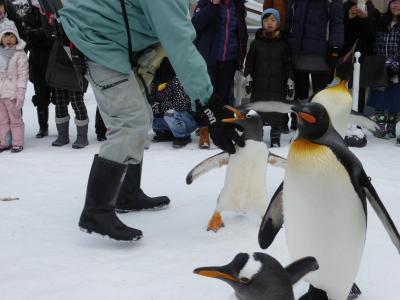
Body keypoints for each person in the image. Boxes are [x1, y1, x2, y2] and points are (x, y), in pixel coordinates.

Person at [59, 0, 245, 241]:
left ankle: (127, 193)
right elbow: (178, 41)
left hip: (112, 37)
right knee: (130, 120)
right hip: (97, 40)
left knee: (142, 114)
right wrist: (209, 105)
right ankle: (96, 211)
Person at [192, 0, 248, 149]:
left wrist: (241, 56)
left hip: (229, 58)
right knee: (206, 97)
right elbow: (195, 25)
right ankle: (204, 130)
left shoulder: (238, 5)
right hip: (209, 58)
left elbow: (241, 32)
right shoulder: (206, 3)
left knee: (224, 97)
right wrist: (213, 5)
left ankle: (225, 129)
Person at [283, 0, 344, 130]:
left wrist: (335, 47)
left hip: (321, 52)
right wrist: (284, 39)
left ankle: (319, 123)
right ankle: (299, 121)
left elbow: (337, 23)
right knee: (300, 91)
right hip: (298, 50)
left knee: (320, 93)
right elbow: (289, 20)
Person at [244, 8, 295, 147]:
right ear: (262, 23)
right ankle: (258, 137)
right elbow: (249, 62)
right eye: (266, 20)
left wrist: (290, 80)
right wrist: (248, 77)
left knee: (276, 113)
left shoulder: (283, 44)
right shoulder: (256, 43)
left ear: (278, 23)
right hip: (259, 86)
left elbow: (288, 64)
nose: (269, 23)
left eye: (273, 20)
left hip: (278, 86)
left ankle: (275, 139)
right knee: (258, 112)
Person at [44, 11, 89, 149]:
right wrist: (49, 19)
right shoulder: (54, 11)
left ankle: (82, 137)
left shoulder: (80, 11)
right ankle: (62, 135)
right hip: (59, 58)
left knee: (77, 101)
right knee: (60, 101)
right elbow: (48, 33)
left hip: (75, 58)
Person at [341, 0, 380, 147]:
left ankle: (357, 124)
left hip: (363, 57)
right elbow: (340, 34)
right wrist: (348, 18)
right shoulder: (343, 8)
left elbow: (372, 37)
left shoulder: (373, 12)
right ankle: (340, 120)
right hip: (344, 55)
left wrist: (364, 19)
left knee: (359, 91)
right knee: (341, 90)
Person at [367, 0, 400, 144]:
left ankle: (391, 128)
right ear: (389, 5)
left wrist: (395, 61)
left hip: (397, 66)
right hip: (380, 65)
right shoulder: (380, 21)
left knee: (394, 98)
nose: (396, 6)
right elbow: (372, 40)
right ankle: (379, 127)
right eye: (394, 3)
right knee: (380, 96)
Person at [150, 57, 198, 148]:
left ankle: (183, 136)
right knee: (148, 113)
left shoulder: (177, 80)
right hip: (168, 117)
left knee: (171, 112)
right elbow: (152, 101)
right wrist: (154, 108)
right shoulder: (155, 81)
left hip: (186, 118)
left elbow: (182, 104)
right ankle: (166, 133)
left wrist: (161, 107)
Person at [23, 1, 54, 138]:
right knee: (41, 98)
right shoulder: (26, 15)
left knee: (60, 98)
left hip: (54, 61)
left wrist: (35, 34)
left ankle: (62, 129)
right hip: (36, 62)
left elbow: (52, 36)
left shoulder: (52, 11)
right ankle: (43, 127)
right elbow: (25, 39)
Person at [0, 19, 28, 153]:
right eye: (5, 36)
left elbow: (23, 75)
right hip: (0, 94)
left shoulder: (20, 55)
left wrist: (20, 93)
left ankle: (17, 142)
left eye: (12, 36)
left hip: (12, 94)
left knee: (15, 119)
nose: (9, 39)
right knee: (2, 119)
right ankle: (4, 142)